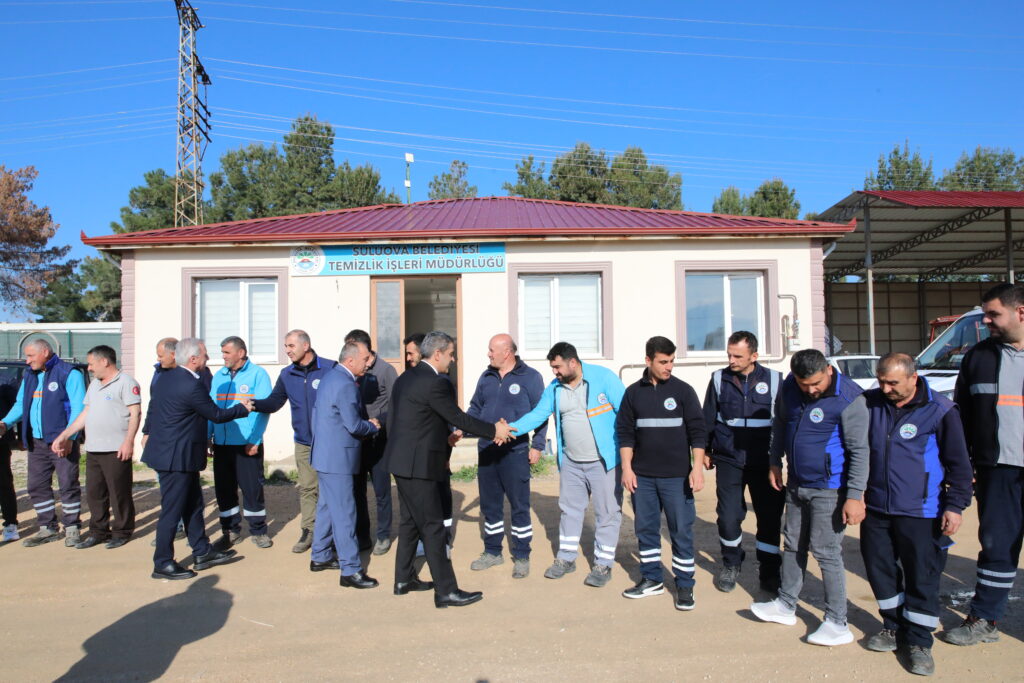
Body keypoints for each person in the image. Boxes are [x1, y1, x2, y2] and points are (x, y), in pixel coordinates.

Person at [861, 353, 973, 676]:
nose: (885, 388)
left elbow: (959, 465)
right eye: (881, 381)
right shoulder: (870, 403)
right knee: (880, 570)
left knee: (922, 575)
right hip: (877, 506)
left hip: (922, 510)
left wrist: (955, 506)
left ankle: (919, 641)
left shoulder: (941, 410)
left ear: (913, 377)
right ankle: (892, 627)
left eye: (892, 383)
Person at [750, 348, 868, 647]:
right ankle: (786, 604)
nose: (811, 390)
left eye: (816, 383)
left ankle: (837, 622)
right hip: (796, 483)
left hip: (830, 488)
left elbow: (860, 451)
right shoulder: (790, 386)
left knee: (826, 552)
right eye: (805, 385)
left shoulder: (849, 397)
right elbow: (780, 423)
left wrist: (855, 495)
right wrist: (774, 461)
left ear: (828, 370)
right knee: (792, 544)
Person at [385, 331, 512, 608]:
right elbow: (458, 418)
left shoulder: (407, 377)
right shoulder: (435, 383)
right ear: (438, 354)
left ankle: (403, 580)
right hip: (419, 466)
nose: (453, 360)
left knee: (410, 522)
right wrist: (495, 430)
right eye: (451, 354)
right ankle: (446, 591)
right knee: (433, 527)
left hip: (402, 462)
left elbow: (411, 421)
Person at [942, 283, 1024, 647]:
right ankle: (984, 619)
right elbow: (962, 417)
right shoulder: (979, 358)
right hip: (998, 470)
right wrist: (964, 466)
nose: (986, 321)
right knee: (996, 545)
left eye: (993, 314)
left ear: (1020, 312)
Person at [508, 342, 626, 588]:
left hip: (604, 461)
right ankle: (566, 558)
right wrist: (509, 429)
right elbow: (538, 414)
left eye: (558, 367)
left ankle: (603, 564)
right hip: (571, 461)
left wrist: (630, 455)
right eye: (553, 367)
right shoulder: (555, 387)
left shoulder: (604, 378)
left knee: (607, 513)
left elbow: (627, 414)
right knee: (570, 510)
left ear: (573, 362)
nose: (555, 372)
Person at [141, 337, 249, 580]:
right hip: (175, 458)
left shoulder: (166, 378)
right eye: (204, 355)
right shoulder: (191, 384)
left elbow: (157, 410)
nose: (207, 358)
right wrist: (243, 408)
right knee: (172, 510)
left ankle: (202, 551)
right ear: (193, 359)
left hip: (179, 455)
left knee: (193, 504)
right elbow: (216, 414)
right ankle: (162, 562)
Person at [616, 336, 706, 610]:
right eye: (663, 362)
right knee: (646, 530)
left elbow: (698, 432)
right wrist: (627, 469)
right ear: (648, 360)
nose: (669, 367)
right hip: (643, 478)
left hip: (677, 478)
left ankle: (685, 586)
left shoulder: (683, 391)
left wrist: (697, 468)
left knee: (681, 531)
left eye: (672, 361)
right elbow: (625, 433)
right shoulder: (633, 393)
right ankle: (652, 579)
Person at [702, 331, 785, 594]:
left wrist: (778, 460)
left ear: (754, 356)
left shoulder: (775, 380)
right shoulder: (719, 379)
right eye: (729, 355)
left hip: (765, 463)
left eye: (737, 356)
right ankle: (731, 562)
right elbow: (708, 417)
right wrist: (705, 450)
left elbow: (784, 422)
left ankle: (769, 570)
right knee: (728, 518)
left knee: (769, 518)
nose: (731, 360)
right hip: (729, 459)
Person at [465, 333, 547, 579]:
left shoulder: (530, 377)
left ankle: (522, 555)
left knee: (519, 505)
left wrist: (538, 445)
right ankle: (492, 551)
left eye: (492, 350)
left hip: (515, 451)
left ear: (507, 352)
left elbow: (541, 413)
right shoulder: (486, 376)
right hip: (487, 450)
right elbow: (475, 407)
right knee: (490, 505)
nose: (488, 354)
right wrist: (462, 427)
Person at [251, 330, 337, 553]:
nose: (287, 351)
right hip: (303, 442)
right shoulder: (287, 374)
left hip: (330, 442)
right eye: (285, 346)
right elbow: (274, 402)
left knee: (332, 489)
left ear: (305, 346)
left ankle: (335, 534)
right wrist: (253, 404)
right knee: (308, 488)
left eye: (291, 346)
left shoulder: (330, 368)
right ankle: (309, 530)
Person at [52, 346, 141, 550]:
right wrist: (65, 434)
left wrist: (129, 441)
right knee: (94, 493)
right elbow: (85, 413)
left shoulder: (126, 383)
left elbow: (135, 413)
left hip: (116, 449)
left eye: (91, 363)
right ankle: (98, 532)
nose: (89, 368)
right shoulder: (94, 385)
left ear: (104, 362)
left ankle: (122, 532)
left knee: (119, 493)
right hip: (94, 449)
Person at [308, 341, 381, 589]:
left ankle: (320, 555)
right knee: (345, 514)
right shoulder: (346, 384)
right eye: (365, 359)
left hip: (325, 455)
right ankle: (350, 569)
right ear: (350, 360)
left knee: (327, 507)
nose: (368, 363)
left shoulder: (330, 377)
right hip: (338, 458)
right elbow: (353, 425)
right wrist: (372, 426)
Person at [0, 339, 85, 547]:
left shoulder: (69, 373)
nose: (27, 361)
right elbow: (21, 404)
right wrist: (5, 423)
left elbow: (79, 408)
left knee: (67, 484)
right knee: (36, 486)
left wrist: (69, 437)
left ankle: (72, 527)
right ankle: (47, 527)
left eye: (30, 356)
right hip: (36, 442)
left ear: (45, 352)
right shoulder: (29, 375)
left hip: (62, 441)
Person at [209, 336, 273, 548]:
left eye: (226, 352)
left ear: (241, 353)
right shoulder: (219, 376)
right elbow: (211, 409)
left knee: (252, 489)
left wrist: (255, 439)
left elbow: (263, 411)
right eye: (222, 352)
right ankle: (230, 530)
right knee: (224, 490)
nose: (223, 357)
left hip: (246, 443)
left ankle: (259, 531)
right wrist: (209, 435)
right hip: (221, 443)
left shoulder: (258, 375)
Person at [345, 329, 399, 555]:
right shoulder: (352, 372)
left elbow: (395, 405)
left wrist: (379, 422)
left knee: (381, 491)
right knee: (357, 491)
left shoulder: (386, 370)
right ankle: (363, 536)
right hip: (358, 440)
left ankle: (384, 535)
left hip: (379, 441)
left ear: (365, 348)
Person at [0, 366, 19, 542]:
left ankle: (10, 524)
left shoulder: (5, 381)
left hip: (0, 442)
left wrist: (21, 437)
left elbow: (18, 409)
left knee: (4, 483)